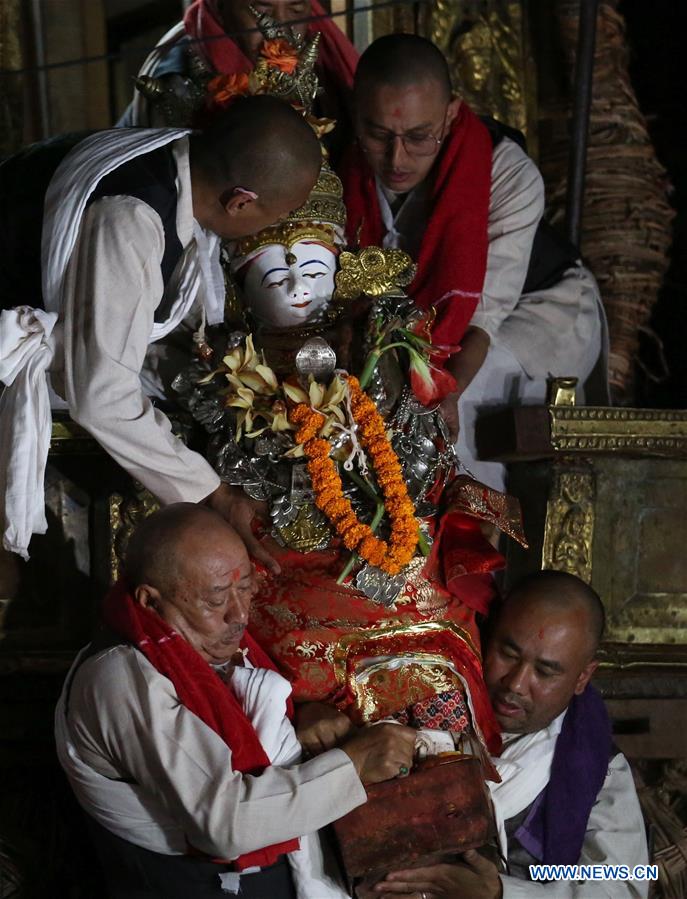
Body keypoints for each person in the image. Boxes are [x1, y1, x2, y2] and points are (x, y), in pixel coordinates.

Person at [0, 95, 321, 565]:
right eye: (272, 219)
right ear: (240, 201)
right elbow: (100, 396)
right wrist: (210, 492)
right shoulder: (132, 217)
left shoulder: (170, 156)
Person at [55, 503, 417, 899]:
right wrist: (355, 764)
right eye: (215, 600)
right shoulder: (121, 678)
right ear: (150, 601)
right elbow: (225, 825)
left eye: (245, 588)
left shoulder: (204, 644)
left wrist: (303, 715)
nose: (240, 615)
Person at [341, 35, 608, 491]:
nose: (397, 158)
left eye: (419, 137)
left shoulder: (509, 175)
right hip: (412, 323)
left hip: (536, 310)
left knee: (444, 413)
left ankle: (472, 532)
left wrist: (448, 394)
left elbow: (483, 321)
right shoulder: (338, 163)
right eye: (379, 135)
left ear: (450, 114)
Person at [371, 570, 650, 898]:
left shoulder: (597, 768)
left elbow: (623, 884)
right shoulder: (415, 693)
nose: (516, 684)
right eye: (508, 654)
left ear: (582, 677)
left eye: (545, 671)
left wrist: (500, 893)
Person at [121, 0, 358, 132]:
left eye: (296, 10)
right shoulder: (180, 81)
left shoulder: (323, 55)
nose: (280, 27)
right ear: (220, 7)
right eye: (262, 11)